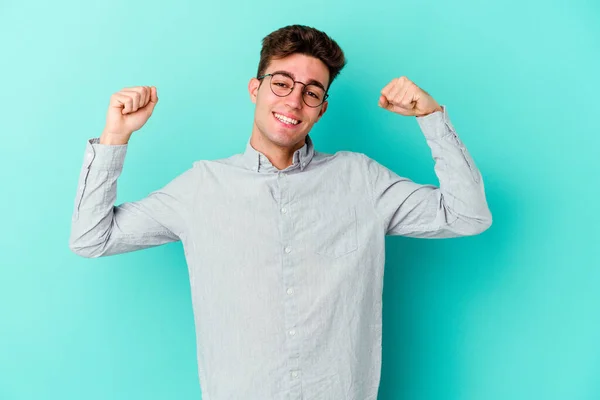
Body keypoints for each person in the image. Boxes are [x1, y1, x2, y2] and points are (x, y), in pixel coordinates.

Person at [70, 24, 492, 400]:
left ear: (322, 108)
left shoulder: (362, 179)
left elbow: (467, 216)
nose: (294, 101)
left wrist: (432, 118)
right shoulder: (200, 187)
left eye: (311, 92)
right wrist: (115, 136)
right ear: (256, 89)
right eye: (282, 83)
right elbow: (92, 238)